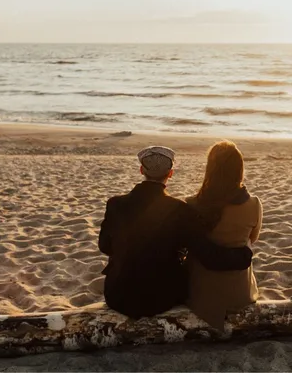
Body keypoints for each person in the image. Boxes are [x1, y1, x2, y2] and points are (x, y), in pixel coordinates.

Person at [98, 145, 254, 319]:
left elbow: (104, 246)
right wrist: (244, 255)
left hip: (117, 296)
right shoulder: (179, 210)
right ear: (170, 173)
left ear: (141, 170)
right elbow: (209, 256)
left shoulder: (115, 204)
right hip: (160, 298)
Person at [185, 140, 262, 331]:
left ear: (210, 169)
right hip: (240, 294)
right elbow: (253, 238)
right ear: (239, 170)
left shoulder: (192, 204)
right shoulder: (254, 204)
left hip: (201, 296)